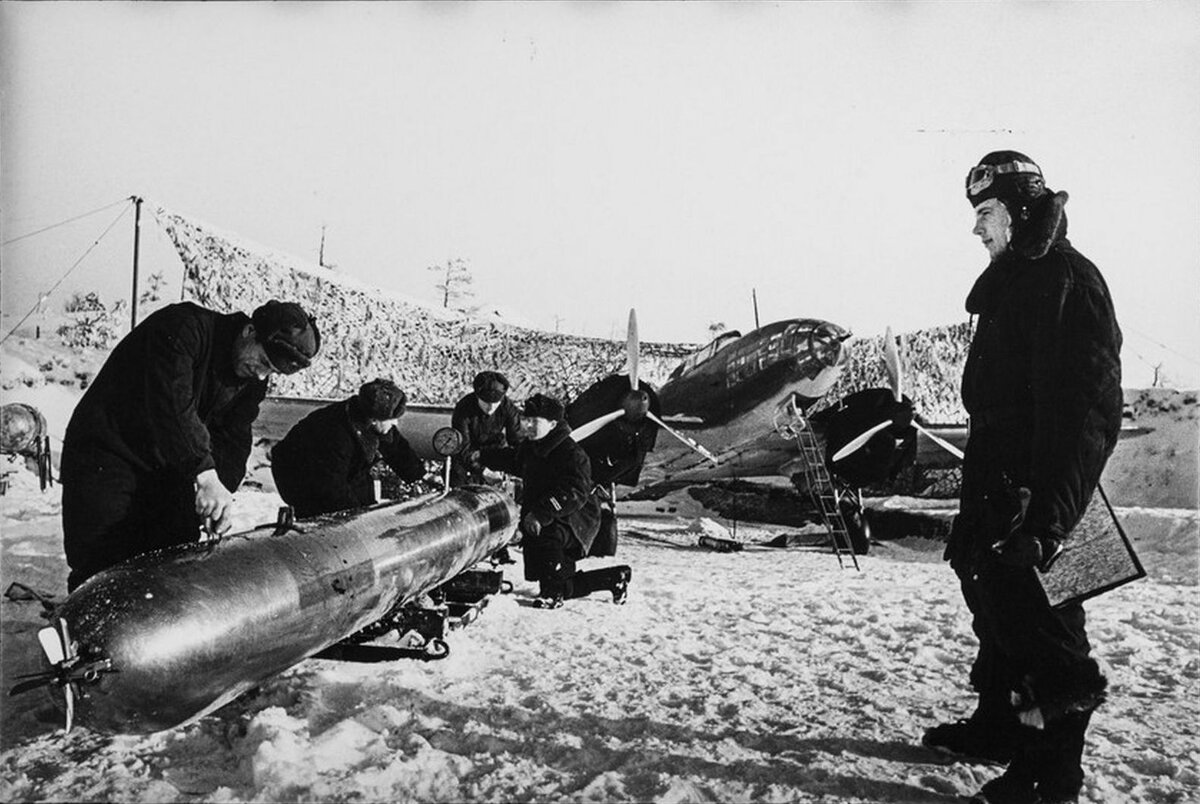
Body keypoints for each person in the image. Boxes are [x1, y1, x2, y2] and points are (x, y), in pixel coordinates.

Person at [924, 151, 1122, 804]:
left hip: (1044, 501)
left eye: (986, 214)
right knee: (1001, 613)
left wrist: (1049, 521)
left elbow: (1084, 414)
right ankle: (1000, 727)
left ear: (1022, 211)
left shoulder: (1067, 280)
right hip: (1002, 491)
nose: (976, 230)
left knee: (1048, 634)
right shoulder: (1018, 284)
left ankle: (1049, 776)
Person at [61, 299, 320, 591]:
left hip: (169, 463)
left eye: (271, 371)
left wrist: (219, 492)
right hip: (108, 452)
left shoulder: (251, 378)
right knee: (103, 559)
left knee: (172, 553)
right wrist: (205, 475)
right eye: (262, 361)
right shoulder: (183, 328)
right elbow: (170, 407)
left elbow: (234, 437)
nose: (261, 375)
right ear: (249, 331)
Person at [480, 393, 631, 609]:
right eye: (526, 420)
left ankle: (554, 593)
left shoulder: (571, 453)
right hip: (551, 517)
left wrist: (541, 513)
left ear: (552, 424)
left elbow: (574, 491)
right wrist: (483, 456)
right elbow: (513, 460)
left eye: (535, 421)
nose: (528, 425)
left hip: (574, 519)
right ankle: (614, 577)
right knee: (560, 581)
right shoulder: (533, 447)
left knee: (545, 536)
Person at [270, 378, 426, 518]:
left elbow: (396, 448)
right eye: (392, 420)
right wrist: (356, 520)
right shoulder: (333, 433)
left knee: (366, 507)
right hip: (300, 477)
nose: (395, 424)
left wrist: (420, 477)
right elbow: (332, 489)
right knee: (336, 521)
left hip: (340, 473)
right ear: (373, 419)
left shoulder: (373, 417)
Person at [449, 370, 523, 487]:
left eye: (495, 403)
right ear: (477, 397)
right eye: (485, 402)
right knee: (457, 472)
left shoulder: (508, 408)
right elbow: (463, 446)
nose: (490, 407)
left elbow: (516, 440)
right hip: (469, 451)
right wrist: (483, 471)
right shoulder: (463, 408)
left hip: (494, 449)